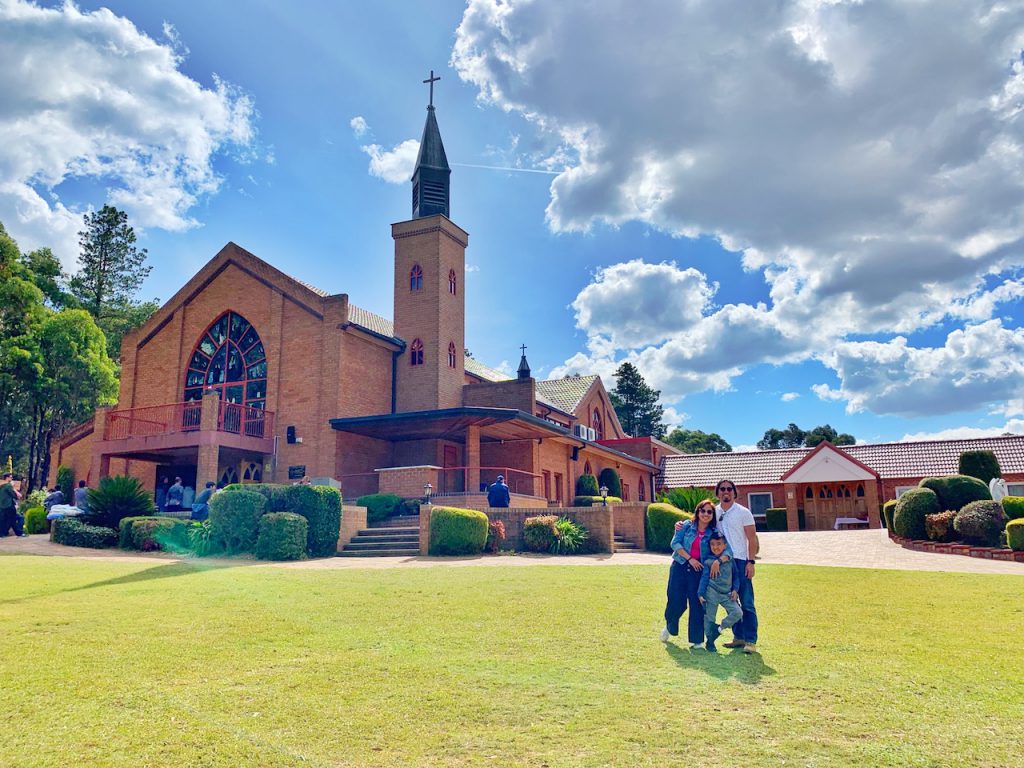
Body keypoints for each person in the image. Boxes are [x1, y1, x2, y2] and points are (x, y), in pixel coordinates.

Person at [660, 499, 727, 646]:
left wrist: (720, 560)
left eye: (710, 512)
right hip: (680, 566)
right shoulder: (685, 526)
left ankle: (697, 640)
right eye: (703, 510)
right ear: (697, 512)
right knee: (676, 600)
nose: (706, 514)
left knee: (697, 603)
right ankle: (669, 626)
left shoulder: (714, 533)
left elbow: (725, 548)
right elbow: (675, 543)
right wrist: (690, 558)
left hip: (699, 571)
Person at [712, 479, 759, 653]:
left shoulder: (743, 512)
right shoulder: (714, 512)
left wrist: (751, 561)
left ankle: (751, 640)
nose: (726, 492)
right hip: (723, 564)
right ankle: (738, 637)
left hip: (740, 561)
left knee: (747, 602)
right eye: (722, 489)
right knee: (732, 602)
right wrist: (680, 525)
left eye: (729, 489)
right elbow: (697, 522)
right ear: (717, 493)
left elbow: (752, 538)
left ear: (734, 492)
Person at [698, 532, 743, 653]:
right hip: (711, 592)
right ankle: (710, 641)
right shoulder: (708, 561)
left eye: (719, 544)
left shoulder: (729, 559)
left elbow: (736, 576)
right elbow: (704, 578)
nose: (715, 547)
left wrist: (735, 590)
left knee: (738, 612)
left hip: (727, 594)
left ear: (725, 546)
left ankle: (718, 629)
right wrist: (700, 594)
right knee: (709, 618)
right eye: (712, 544)